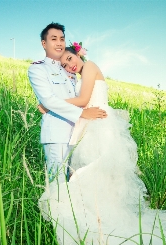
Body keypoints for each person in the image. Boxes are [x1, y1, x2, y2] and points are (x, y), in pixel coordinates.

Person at [38, 45, 166, 245]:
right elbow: (82, 106)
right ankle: (100, 219)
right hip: (92, 125)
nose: (70, 65)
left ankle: (106, 227)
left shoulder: (89, 66)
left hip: (102, 128)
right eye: (65, 65)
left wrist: (49, 105)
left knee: (91, 175)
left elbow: (82, 100)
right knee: (95, 181)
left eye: (70, 58)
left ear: (78, 54)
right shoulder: (81, 74)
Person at [28, 23, 107, 183]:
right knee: (58, 183)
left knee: (77, 182)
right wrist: (81, 113)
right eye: (53, 39)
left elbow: (82, 98)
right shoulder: (38, 69)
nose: (59, 43)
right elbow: (49, 100)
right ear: (44, 43)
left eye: (62, 39)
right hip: (57, 133)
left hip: (78, 133)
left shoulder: (71, 69)